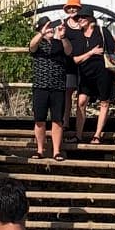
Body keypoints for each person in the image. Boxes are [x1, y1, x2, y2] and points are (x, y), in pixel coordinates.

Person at [64, 6, 113, 146]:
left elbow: (113, 47)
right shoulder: (78, 36)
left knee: (104, 102)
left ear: (90, 19)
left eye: (83, 17)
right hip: (86, 74)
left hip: (102, 71)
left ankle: (97, 135)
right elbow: (75, 59)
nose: (80, 20)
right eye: (78, 18)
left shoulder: (101, 32)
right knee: (81, 101)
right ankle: (78, 135)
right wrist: (91, 53)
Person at [28, 16, 70, 161]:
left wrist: (63, 36)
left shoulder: (59, 43)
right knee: (39, 119)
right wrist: (42, 33)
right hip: (40, 86)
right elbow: (31, 46)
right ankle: (40, 150)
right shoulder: (38, 43)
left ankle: (56, 151)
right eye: (47, 27)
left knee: (57, 120)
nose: (50, 29)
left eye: (51, 26)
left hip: (58, 87)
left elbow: (69, 51)